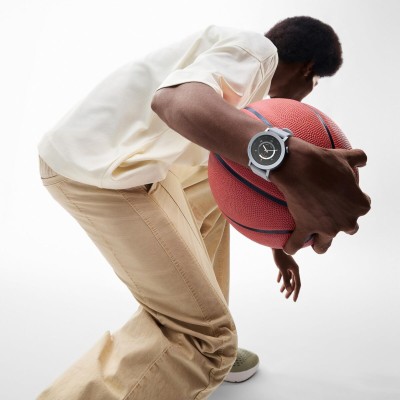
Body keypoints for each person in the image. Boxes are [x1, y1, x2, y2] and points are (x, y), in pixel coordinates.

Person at [37, 16, 370, 399]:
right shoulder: (256, 52)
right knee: (207, 341)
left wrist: (279, 240)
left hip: (120, 163)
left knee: (215, 187)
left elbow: (236, 179)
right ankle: (194, 339)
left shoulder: (242, 87)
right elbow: (175, 101)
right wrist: (286, 158)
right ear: (308, 68)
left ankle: (195, 318)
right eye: (315, 82)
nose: (309, 93)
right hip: (97, 173)